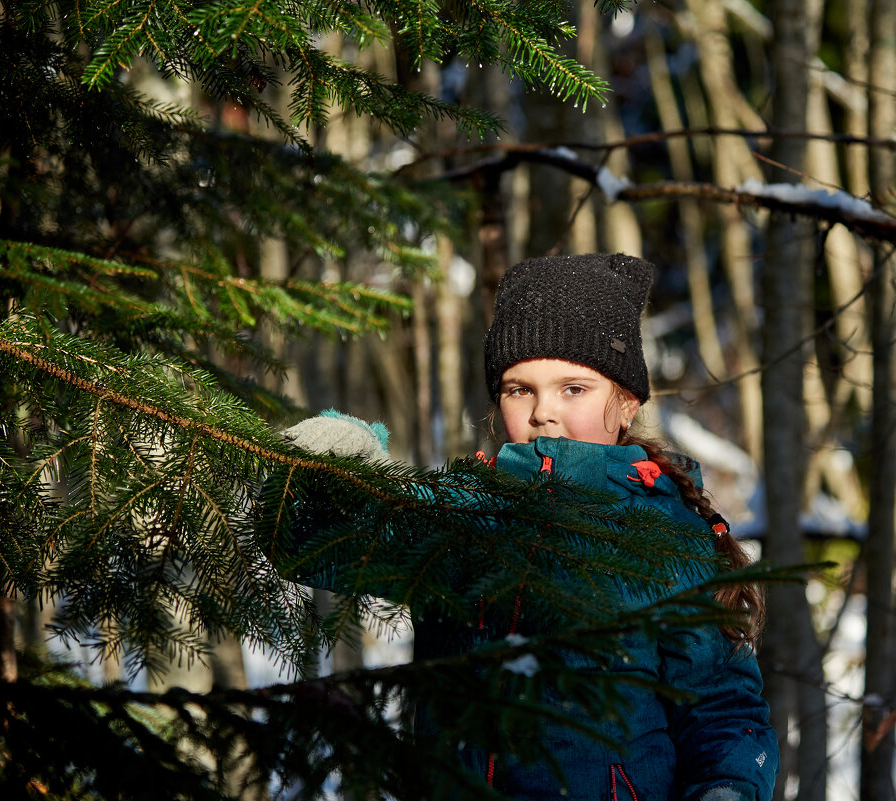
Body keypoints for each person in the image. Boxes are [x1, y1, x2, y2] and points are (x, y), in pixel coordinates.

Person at [283, 253, 778, 801]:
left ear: (626, 402)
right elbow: (310, 545)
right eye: (521, 389)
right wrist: (325, 465)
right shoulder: (461, 513)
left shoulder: (667, 535)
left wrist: (727, 790)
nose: (544, 411)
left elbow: (723, 709)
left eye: (573, 389)